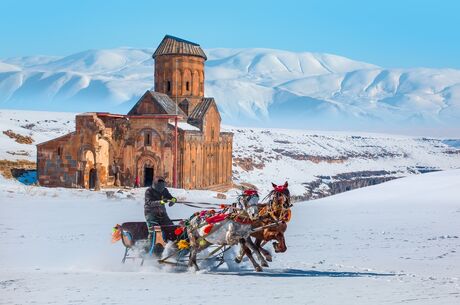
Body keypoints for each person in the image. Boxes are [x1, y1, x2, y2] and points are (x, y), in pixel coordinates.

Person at [144, 177, 177, 245]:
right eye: (159, 185)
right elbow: (149, 203)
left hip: (162, 213)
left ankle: (173, 244)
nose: (160, 188)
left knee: (172, 228)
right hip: (150, 213)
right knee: (155, 231)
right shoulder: (149, 191)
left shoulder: (164, 190)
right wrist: (161, 202)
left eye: (162, 185)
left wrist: (173, 199)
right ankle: (148, 246)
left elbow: (170, 197)